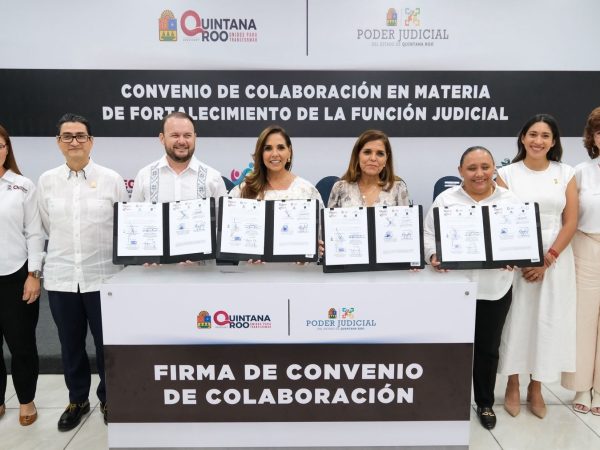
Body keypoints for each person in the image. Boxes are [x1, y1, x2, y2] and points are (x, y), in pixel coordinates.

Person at [37, 113, 129, 430]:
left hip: (103, 278)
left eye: (80, 136)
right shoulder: (47, 181)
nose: (74, 141)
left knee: (106, 345)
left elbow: (123, 227)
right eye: (67, 136)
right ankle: (77, 399)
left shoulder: (111, 179)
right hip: (62, 278)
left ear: (91, 141)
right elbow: (45, 226)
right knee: (70, 345)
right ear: (58, 142)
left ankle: (109, 398)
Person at [424, 146, 516, 429]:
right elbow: (428, 234)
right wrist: (433, 255)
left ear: (494, 169)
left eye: (485, 167)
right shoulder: (446, 199)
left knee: (488, 349)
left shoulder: (510, 200)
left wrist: (515, 254)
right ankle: (446, 399)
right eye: (472, 168)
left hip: (494, 288)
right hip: (454, 288)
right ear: (460, 171)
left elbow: (518, 237)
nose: (479, 174)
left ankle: (485, 403)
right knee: (449, 347)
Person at [497, 114, 578, 419]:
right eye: (532, 134)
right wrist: (522, 258)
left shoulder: (566, 173)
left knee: (546, 322)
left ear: (554, 142)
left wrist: (547, 259)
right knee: (516, 321)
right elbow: (501, 219)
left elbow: (570, 221)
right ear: (522, 138)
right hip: (517, 261)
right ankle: (512, 384)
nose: (538, 141)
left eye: (545, 136)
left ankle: (537, 386)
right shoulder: (506, 174)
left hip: (555, 259)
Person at [0, 125, 44, 426]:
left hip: (17, 275)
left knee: (22, 345)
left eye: (0, 145)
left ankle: (26, 400)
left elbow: (35, 233)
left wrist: (34, 274)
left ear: (7, 149)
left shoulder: (23, 185)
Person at [561, 106, 600, 415]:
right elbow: (570, 216)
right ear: (592, 137)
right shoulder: (581, 172)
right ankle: (581, 386)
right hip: (586, 245)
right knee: (583, 319)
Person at [131, 111, 227, 203]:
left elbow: (222, 215)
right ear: (162, 138)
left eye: (187, 135)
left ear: (194, 138)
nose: (181, 141)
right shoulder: (144, 176)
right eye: (175, 135)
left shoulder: (214, 178)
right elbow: (133, 214)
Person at [229, 125, 322, 203]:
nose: (275, 154)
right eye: (268, 148)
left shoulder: (307, 191)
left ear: (289, 152)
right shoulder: (242, 191)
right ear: (261, 153)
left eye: (281, 148)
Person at [327, 129, 409, 207]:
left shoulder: (398, 189)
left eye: (380, 154)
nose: (373, 158)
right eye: (367, 152)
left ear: (386, 159)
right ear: (357, 156)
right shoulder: (340, 188)